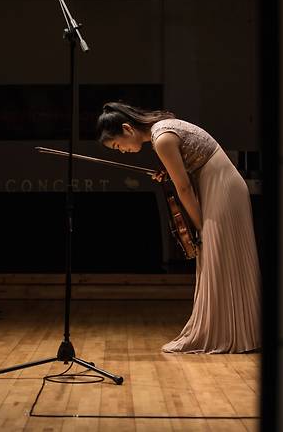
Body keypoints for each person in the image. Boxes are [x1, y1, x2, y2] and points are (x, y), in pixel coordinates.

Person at [96, 102, 260, 354]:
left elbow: (183, 188)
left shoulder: (161, 138)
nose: (123, 152)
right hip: (222, 184)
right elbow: (187, 171)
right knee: (220, 260)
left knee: (217, 258)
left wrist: (200, 225)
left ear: (127, 129)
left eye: (119, 146)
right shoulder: (162, 130)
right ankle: (236, 332)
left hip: (222, 188)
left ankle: (228, 334)